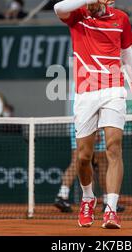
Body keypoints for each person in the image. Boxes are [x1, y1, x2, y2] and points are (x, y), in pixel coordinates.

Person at [53, 0, 132, 229]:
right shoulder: (76, 15)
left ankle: (111, 209)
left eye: (93, 1)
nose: (90, 7)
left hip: (114, 90)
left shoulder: (121, 19)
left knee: (114, 148)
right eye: (87, 1)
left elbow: (128, 56)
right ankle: (87, 199)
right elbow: (58, 7)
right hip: (85, 93)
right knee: (83, 157)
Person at [54, 85, 126, 214]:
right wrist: (97, 130)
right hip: (92, 124)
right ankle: (105, 200)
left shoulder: (81, 82)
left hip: (80, 123)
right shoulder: (94, 83)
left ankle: (63, 195)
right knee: (99, 163)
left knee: (79, 161)